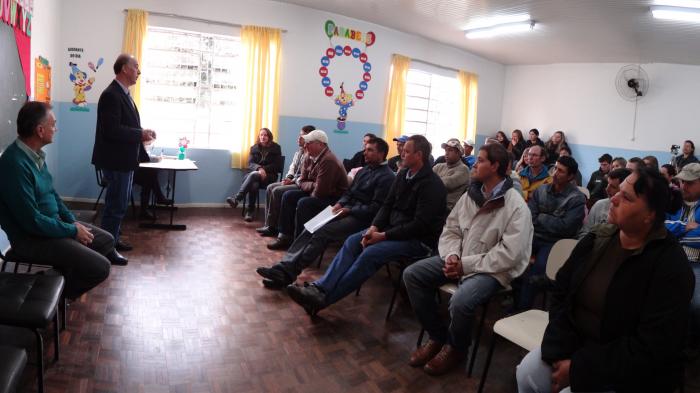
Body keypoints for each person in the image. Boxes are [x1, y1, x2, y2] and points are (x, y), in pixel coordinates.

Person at [517, 167, 694, 393]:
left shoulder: (670, 267)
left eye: (626, 197)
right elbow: (562, 291)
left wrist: (579, 369)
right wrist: (559, 351)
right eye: (618, 191)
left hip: (627, 369)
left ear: (650, 215)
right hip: (576, 344)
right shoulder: (598, 238)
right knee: (527, 373)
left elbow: (651, 346)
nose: (614, 198)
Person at [403, 143, 533, 375]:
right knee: (413, 275)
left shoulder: (515, 205)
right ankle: (437, 336)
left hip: (493, 270)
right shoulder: (471, 195)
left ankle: (457, 347)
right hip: (459, 259)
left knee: (461, 301)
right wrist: (453, 256)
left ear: (495, 166)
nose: (474, 164)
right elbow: (451, 228)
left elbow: (509, 254)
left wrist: (466, 265)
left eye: (480, 160)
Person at [285, 135, 447, 315]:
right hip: (391, 231)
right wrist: (374, 228)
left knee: (370, 253)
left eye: (406, 151)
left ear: (419, 155)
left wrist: (383, 236)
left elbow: (420, 225)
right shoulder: (402, 175)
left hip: (418, 240)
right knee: (353, 242)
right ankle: (320, 288)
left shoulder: (432, 185)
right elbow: (386, 206)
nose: (401, 154)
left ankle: (322, 300)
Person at [0, 102, 123, 301]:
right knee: (100, 267)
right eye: (53, 125)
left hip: (51, 227)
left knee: (107, 241)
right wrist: (72, 231)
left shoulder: (35, 155)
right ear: (40, 130)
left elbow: (52, 194)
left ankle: (60, 277)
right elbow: (32, 222)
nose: (56, 129)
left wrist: (71, 222)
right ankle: (53, 299)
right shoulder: (13, 164)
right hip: (31, 239)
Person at [255, 137, 395, 288]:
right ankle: (282, 268)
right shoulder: (364, 170)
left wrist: (349, 210)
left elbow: (376, 208)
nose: (365, 153)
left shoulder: (387, 177)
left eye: (370, 150)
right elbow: (349, 193)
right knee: (311, 226)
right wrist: (340, 204)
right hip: (344, 209)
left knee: (323, 231)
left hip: (360, 219)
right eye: (365, 149)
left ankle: (287, 273)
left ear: (381, 154)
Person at [92, 54, 155, 251]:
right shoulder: (111, 95)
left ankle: (113, 239)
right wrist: (140, 134)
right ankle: (107, 248)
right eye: (136, 67)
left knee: (119, 204)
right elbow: (112, 130)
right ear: (125, 69)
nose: (139, 71)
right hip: (116, 161)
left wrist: (143, 132)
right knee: (116, 206)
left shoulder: (124, 94)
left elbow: (126, 125)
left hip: (124, 160)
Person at [515, 156, 586, 311]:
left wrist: (542, 216)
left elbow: (566, 228)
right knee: (513, 256)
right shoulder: (542, 190)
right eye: (555, 169)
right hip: (535, 236)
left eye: (560, 171)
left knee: (537, 272)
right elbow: (530, 217)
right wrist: (549, 219)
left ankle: (521, 310)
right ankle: (514, 297)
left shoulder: (577, 199)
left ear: (571, 176)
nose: (554, 173)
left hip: (555, 243)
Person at [268, 130, 347, 250]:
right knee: (288, 196)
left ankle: (300, 243)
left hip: (334, 200)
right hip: (316, 192)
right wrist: (312, 184)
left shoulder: (328, 160)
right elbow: (301, 180)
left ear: (321, 144)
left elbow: (320, 192)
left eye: (309, 142)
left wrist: (307, 184)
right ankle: (284, 236)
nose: (305, 145)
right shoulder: (308, 156)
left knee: (304, 203)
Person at [665, 163, 700, 352]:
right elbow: (658, 226)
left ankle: (690, 347)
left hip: (695, 263)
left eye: (690, 183)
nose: (683, 186)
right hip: (667, 258)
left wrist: (674, 231)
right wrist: (684, 226)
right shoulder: (672, 199)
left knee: (696, 305)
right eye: (681, 181)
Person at [257, 125, 315, 237]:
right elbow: (292, 167)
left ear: (309, 138)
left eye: (301, 135)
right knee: (270, 187)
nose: (298, 138)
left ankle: (275, 226)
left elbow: (306, 175)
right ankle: (269, 224)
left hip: (301, 184)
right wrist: (288, 177)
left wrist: (292, 181)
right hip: (293, 180)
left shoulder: (311, 154)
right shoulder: (298, 153)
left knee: (277, 191)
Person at [226, 128, 282, 222]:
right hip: (253, 176)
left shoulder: (276, 148)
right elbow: (250, 163)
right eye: (261, 135)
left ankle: (238, 200)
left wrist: (264, 170)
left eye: (265, 135)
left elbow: (277, 165)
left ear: (269, 137)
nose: (263, 137)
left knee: (253, 177)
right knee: (254, 184)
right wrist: (259, 169)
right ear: (259, 136)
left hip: (269, 176)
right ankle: (249, 211)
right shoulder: (254, 147)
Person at [579, 168, 631, 238]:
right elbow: (584, 232)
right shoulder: (599, 204)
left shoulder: (628, 213)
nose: (607, 189)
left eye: (613, 187)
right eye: (608, 184)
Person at [433, 138, 470, 211]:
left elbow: (446, 183)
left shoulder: (464, 169)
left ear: (458, 153)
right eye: (446, 150)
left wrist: (432, 180)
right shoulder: (439, 166)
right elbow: (426, 180)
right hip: (433, 203)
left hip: (448, 208)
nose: (446, 153)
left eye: (450, 150)